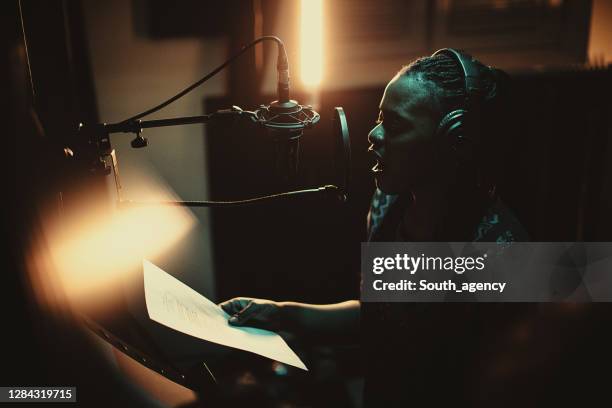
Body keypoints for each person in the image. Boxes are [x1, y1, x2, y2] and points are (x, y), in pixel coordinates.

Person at [220, 49, 529, 406]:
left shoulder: (501, 252)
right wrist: (281, 312)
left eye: (395, 125)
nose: (374, 134)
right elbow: (378, 314)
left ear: (453, 139)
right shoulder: (387, 206)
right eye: (381, 117)